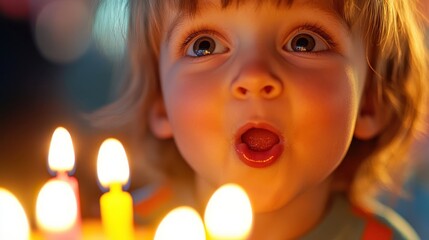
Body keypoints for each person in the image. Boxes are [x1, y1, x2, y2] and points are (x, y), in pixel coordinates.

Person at [92, 0, 428, 239]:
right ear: (161, 104)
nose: (253, 76)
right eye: (204, 46)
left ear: (370, 101)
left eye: (304, 42)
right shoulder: (122, 228)